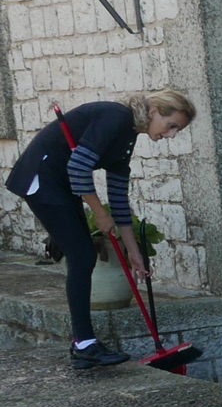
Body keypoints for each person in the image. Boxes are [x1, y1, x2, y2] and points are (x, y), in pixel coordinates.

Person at [5, 90, 196, 368]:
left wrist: (133, 252)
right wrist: (98, 212)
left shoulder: (127, 138)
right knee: (83, 255)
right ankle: (84, 345)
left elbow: (119, 198)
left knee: (81, 252)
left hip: (61, 183)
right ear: (155, 111)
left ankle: (83, 345)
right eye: (172, 126)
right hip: (42, 175)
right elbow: (78, 168)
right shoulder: (115, 117)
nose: (172, 135)